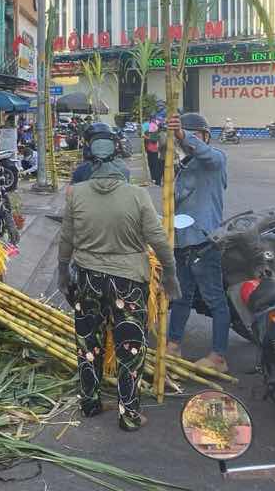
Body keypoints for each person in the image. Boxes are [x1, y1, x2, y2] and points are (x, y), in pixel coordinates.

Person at [57, 126, 179, 431]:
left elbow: (66, 240)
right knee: (130, 347)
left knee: (88, 343)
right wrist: (171, 275)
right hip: (128, 282)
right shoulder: (137, 195)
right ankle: (129, 414)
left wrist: (62, 274)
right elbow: (159, 240)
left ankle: (89, 401)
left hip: (87, 279)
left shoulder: (77, 194)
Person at [166, 112, 230, 373]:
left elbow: (206, 154)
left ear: (205, 138)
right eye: (184, 136)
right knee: (181, 297)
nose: (188, 142)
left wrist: (183, 136)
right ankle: (173, 344)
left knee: (215, 299)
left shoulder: (215, 160)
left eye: (196, 136)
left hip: (204, 242)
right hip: (181, 242)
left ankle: (219, 356)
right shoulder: (179, 168)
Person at [144, 116, 163, 185]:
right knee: (151, 164)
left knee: (155, 165)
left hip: (155, 151)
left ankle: (156, 179)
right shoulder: (149, 130)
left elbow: (154, 140)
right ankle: (153, 178)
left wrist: (147, 137)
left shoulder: (156, 131)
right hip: (150, 150)